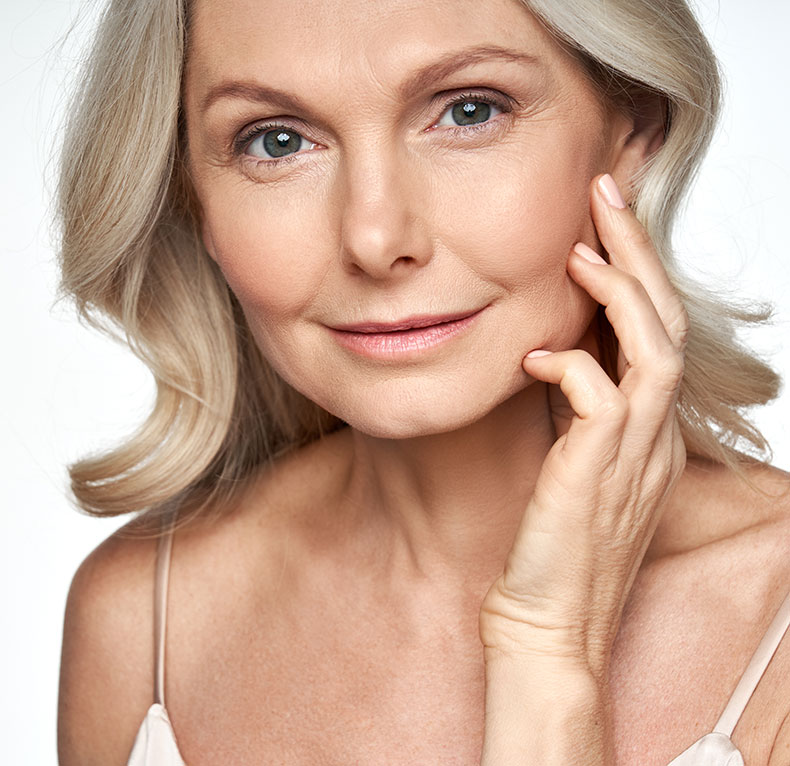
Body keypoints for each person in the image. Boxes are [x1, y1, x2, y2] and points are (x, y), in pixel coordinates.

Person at [55, 0, 790, 763]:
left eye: (469, 111)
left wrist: (549, 654)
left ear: (635, 133)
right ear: (195, 197)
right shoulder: (143, 620)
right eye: (277, 141)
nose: (375, 238)